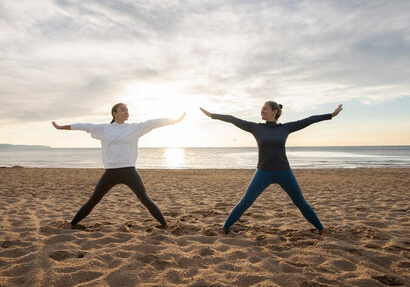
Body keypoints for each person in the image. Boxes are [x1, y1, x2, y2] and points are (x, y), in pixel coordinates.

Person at [200, 102, 343, 235]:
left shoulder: (285, 128)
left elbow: (308, 120)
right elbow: (233, 119)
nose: (261, 111)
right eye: (261, 109)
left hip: (284, 172)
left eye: (265, 108)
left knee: (300, 202)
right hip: (263, 172)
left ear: (274, 111)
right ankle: (225, 228)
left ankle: (321, 229)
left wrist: (331, 115)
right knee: (246, 201)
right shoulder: (256, 128)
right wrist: (212, 115)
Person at [52, 103, 185, 229]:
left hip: (129, 171)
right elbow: (84, 126)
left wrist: (175, 120)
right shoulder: (104, 129)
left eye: (127, 110)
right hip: (110, 172)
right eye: (123, 109)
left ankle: (165, 225)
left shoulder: (134, 128)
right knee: (94, 200)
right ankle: (72, 224)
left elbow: (154, 123)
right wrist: (61, 127)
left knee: (145, 199)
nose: (126, 112)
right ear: (114, 113)